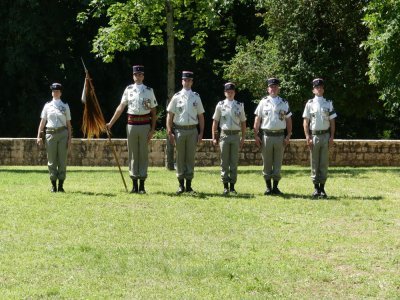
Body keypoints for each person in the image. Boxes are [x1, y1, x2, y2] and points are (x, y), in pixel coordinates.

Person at [106, 65, 157, 194]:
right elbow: (121, 107)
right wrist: (111, 123)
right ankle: (134, 184)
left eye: (140, 75)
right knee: (133, 154)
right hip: (132, 125)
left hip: (145, 125)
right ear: (133, 76)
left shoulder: (149, 90)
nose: (138, 77)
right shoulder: (128, 90)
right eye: (136, 75)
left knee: (143, 155)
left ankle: (142, 185)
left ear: (143, 76)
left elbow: (153, 112)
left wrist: (152, 129)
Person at [166, 71, 205, 194]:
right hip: (179, 130)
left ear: (192, 82)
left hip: (192, 130)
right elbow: (170, 115)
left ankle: (189, 185)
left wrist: (201, 132)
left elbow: (201, 116)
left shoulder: (196, 97)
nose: (187, 82)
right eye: (185, 80)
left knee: (190, 158)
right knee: (180, 158)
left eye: (189, 80)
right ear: (182, 81)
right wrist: (169, 131)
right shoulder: (176, 97)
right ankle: (180, 185)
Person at [253, 78, 292, 195]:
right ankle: (268, 187)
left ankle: (275, 187)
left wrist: (288, 135)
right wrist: (256, 135)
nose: (273, 89)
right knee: (267, 162)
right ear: (268, 89)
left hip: (280, 135)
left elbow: (289, 120)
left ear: (278, 88)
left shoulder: (284, 103)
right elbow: (257, 119)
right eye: (271, 87)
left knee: (278, 162)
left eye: (275, 87)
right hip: (266, 136)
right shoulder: (263, 102)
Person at [303, 78, 337, 199]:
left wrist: (332, 136)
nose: (319, 89)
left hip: (325, 135)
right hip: (314, 135)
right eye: (317, 88)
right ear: (313, 90)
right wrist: (307, 136)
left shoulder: (328, 103)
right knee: (314, 162)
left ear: (323, 89)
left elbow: (332, 121)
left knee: (323, 162)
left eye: (321, 87)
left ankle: (322, 189)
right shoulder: (309, 104)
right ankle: (315, 188)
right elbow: (306, 122)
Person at [36, 83, 72, 192]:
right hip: (50, 134)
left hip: (62, 134)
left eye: (57, 91)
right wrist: (38, 136)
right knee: (51, 160)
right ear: (51, 93)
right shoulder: (47, 106)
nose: (55, 93)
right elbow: (42, 122)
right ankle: (53, 185)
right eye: (53, 91)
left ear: (61, 93)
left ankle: (61, 185)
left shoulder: (65, 106)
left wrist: (70, 138)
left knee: (62, 160)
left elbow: (68, 124)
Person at [212, 82, 247, 195]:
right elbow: (215, 121)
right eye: (228, 92)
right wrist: (214, 136)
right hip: (224, 135)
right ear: (225, 93)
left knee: (234, 161)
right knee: (224, 161)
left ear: (234, 93)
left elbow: (243, 122)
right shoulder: (220, 105)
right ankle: (225, 186)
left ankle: (232, 186)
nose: (230, 94)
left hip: (236, 135)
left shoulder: (239, 105)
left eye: (232, 92)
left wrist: (243, 137)